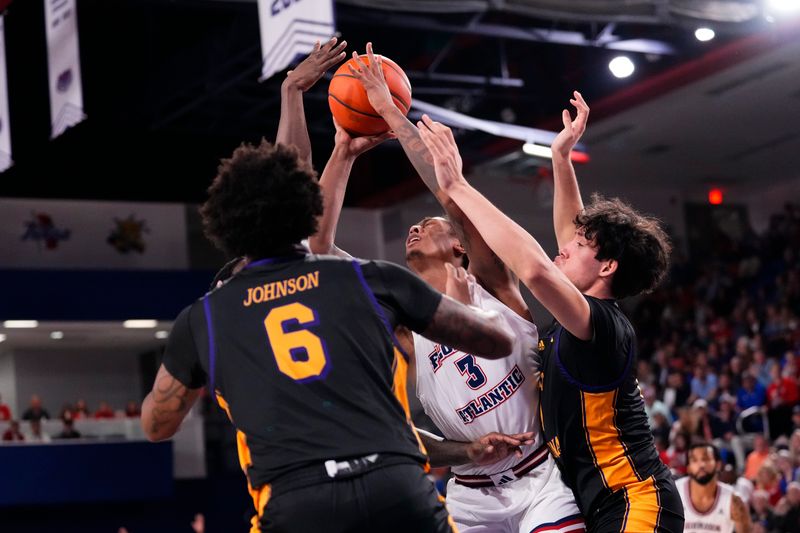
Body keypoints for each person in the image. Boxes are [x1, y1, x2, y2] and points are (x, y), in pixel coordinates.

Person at [140, 120, 515, 533]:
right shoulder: (366, 277)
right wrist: (480, 304)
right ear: (307, 210)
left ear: (225, 224)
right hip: (394, 484)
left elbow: (156, 426)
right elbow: (498, 341)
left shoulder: (205, 316)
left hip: (295, 500)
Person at [313, 43, 583, 533]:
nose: (415, 229)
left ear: (459, 247)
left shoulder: (494, 283)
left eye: (428, 224)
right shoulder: (400, 306)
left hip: (539, 476)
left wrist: (394, 118)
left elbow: (450, 193)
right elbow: (318, 245)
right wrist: (341, 153)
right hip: (468, 490)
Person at [415, 94, 684, 531]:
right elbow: (569, 231)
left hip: (636, 497)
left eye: (579, 247)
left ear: (607, 267)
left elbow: (537, 269)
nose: (566, 247)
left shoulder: (602, 325)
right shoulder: (584, 310)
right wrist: (561, 157)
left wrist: (459, 185)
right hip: (596, 502)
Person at [676, 442, 752, 533]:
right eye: (695, 460)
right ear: (688, 468)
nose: (701, 465)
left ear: (718, 465)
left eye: (706, 459)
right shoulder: (674, 493)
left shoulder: (733, 500)